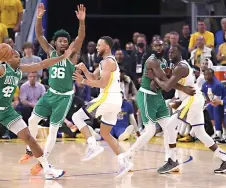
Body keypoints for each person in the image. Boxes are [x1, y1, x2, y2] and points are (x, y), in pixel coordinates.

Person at [0, 43, 75, 181]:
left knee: (30, 138)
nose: (18, 57)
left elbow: (42, 64)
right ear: (8, 58)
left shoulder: (19, 69)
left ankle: (48, 169)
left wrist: (62, 57)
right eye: (15, 55)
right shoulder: (2, 68)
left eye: (19, 55)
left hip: (7, 111)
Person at [18, 3, 85, 175]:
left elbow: (80, 37)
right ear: (55, 42)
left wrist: (81, 22)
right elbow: (39, 34)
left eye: (65, 41)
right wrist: (39, 17)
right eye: (60, 41)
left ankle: (43, 162)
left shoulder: (72, 54)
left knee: (54, 129)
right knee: (32, 120)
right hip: (50, 94)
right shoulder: (50, 52)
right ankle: (29, 150)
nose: (63, 43)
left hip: (64, 97)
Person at [120, 40, 195, 178]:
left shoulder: (165, 61)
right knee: (151, 130)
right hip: (147, 96)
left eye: (161, 45)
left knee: (169, 127)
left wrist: (163, 79)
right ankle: (127, 156)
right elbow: (166, 80)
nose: (159, 47)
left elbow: (166, 80)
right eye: (156, 45)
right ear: (151, 47)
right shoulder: (152, 61)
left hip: (158, 97)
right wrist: (183, 88)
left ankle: (170, 160)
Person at [148, 46, 226, 174]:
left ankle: (172, 160)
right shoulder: (176, 67)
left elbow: (167, 86)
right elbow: (169, 83)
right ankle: (224, 158)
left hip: (192, 100)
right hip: (190, 99)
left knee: (169, 125)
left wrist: (155, 78)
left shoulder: (181, 67)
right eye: (169, 52)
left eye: (173, 51)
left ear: (180, 52)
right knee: (200, 133)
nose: (170, 54)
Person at [71, 36, 131, 179]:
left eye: (99, 45)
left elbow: (102, 84)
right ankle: (124, 161)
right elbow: (93, 77)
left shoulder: (108, 61)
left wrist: (83, 81)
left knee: (76, 116)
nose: (97, 47)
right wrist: (85, 70)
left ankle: (93, 145)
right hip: (114, 100)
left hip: (107, 98)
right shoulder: (105, 62)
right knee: (105, 133)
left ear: (107, 47)